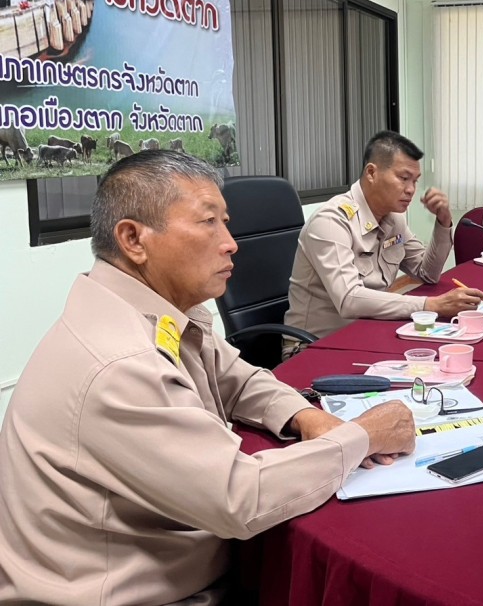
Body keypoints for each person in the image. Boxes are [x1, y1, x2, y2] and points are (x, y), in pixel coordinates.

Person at [0, 151, 416, 606]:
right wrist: (363, 436)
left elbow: (238, 378)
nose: (231, 243)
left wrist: (304, 416)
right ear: (134, 239)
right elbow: (241, 497)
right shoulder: (120, 363)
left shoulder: (154, 307)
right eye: (208, 223)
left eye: (226, 222)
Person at [285, 130, 483, 339]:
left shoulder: (393, 218)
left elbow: (427, 274)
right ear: (372, 173)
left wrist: (443, 221)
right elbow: (349, 299)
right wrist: (431, 305)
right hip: (316, 344)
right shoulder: (331, 221)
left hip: (370, 330)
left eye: (415, 181)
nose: (411, 189)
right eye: (404, 178)